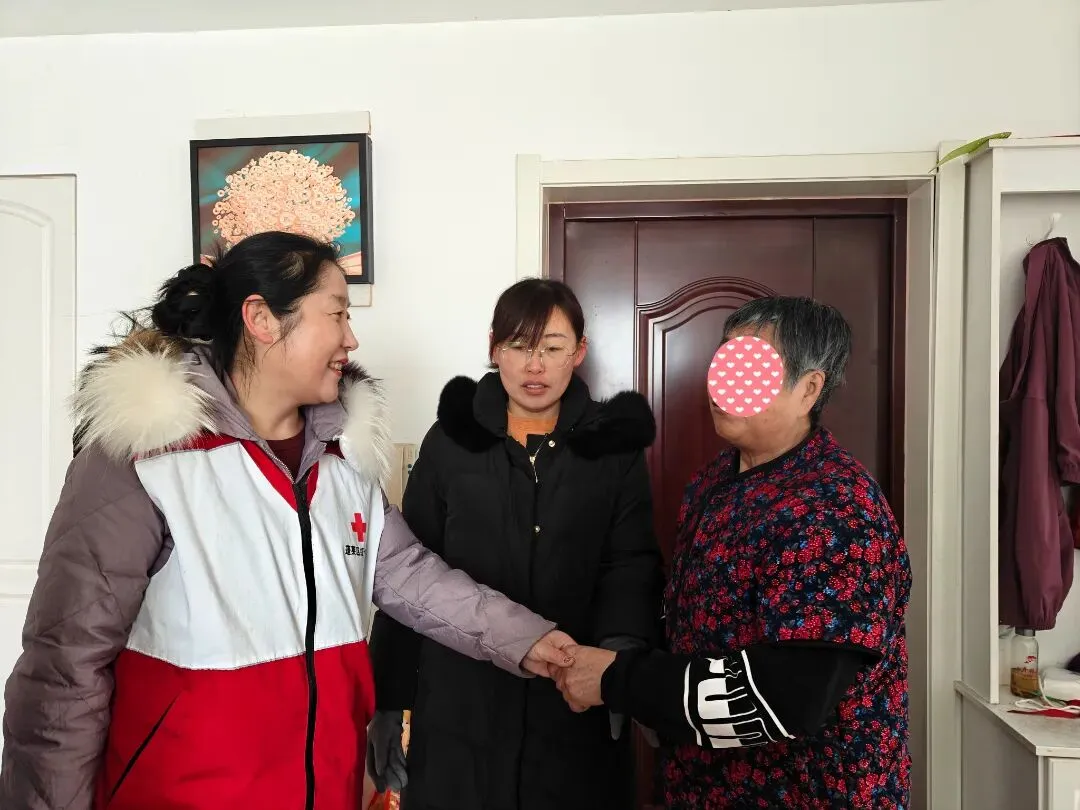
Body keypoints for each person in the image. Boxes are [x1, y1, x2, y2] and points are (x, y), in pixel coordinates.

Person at [0, 232, 578, 810]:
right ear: (261, 319)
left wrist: (530, 641)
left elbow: (415, 579)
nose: (351, 338)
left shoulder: (344, 463)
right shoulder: (147, 458)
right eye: (337, 314)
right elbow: (64, 672)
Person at [551, 297, 912, 809]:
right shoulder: (712, 481)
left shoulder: (836, 510)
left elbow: (786, 697)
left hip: (809, 794)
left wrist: (615, 680)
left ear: (809, 389)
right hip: (700, 785)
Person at [366, 279, 664, 810]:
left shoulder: (612, 447)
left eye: (552, 347)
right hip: (460, 701)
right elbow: (409, 574)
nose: (535, 366)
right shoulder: (451, 441)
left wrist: (621, 665)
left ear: (579, 352)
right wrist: (388, 699)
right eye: (520, 346)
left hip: (572, 697)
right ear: (494, 347)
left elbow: (631, 565)